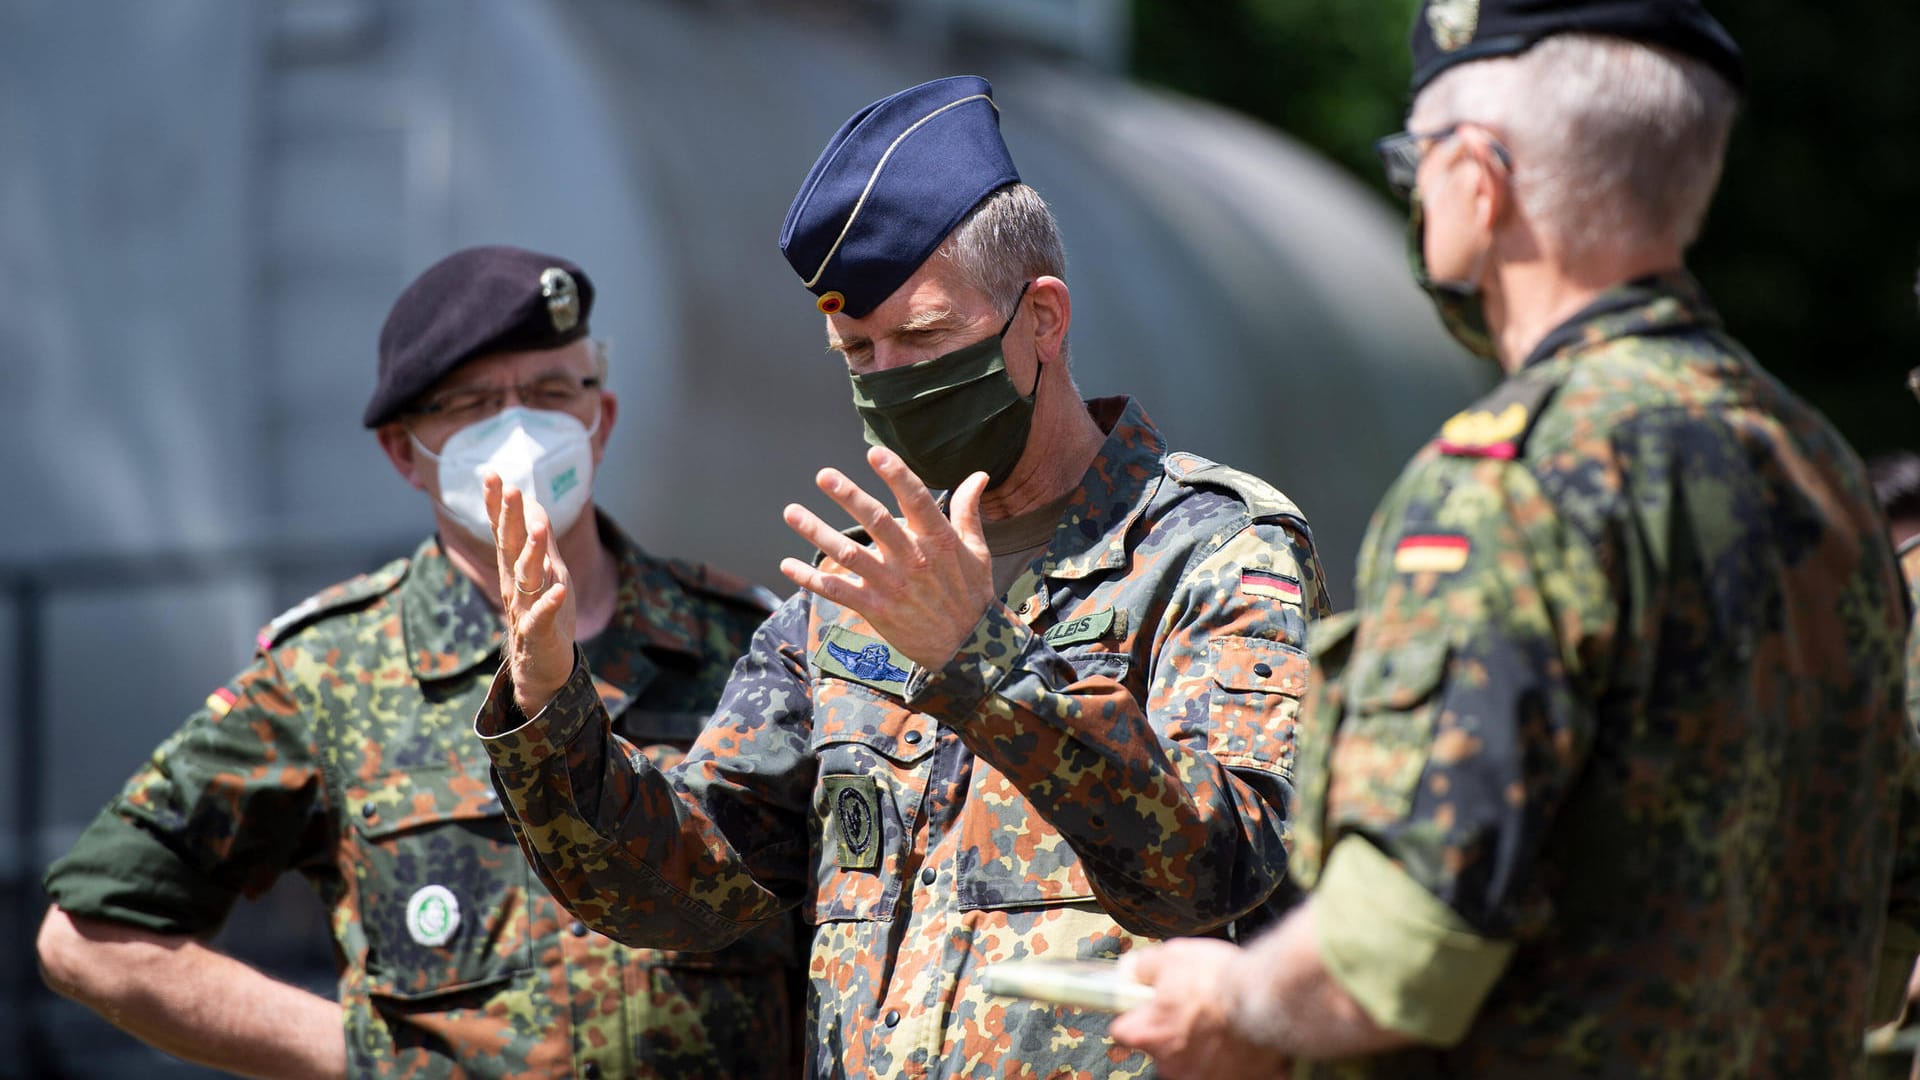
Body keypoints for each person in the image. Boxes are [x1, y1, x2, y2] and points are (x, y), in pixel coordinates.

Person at [1108, 3, 1917, 1076]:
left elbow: (1399, 950)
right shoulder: (1821, 470)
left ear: (1479, 181)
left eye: (1416, 162)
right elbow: (1877, 930)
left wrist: (1240, 1001)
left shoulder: (1511, 479)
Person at [475, 76, 1330, 1078]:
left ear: (1042, 318)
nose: (891, 380)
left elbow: (1223, 870)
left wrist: (982, 662)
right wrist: (550, 712)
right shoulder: (851, 598)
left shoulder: (1214, 552)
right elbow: (682, 892)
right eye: (859, 352)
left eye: (923, 338)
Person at [36, 246, 803, 1078]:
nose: (520, 429)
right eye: (474, 405)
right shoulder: (333, 673)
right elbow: (91, 939)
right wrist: (367, 1059)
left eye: (551, 393)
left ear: (601, 420)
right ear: (406, 453)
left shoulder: (748, 645)